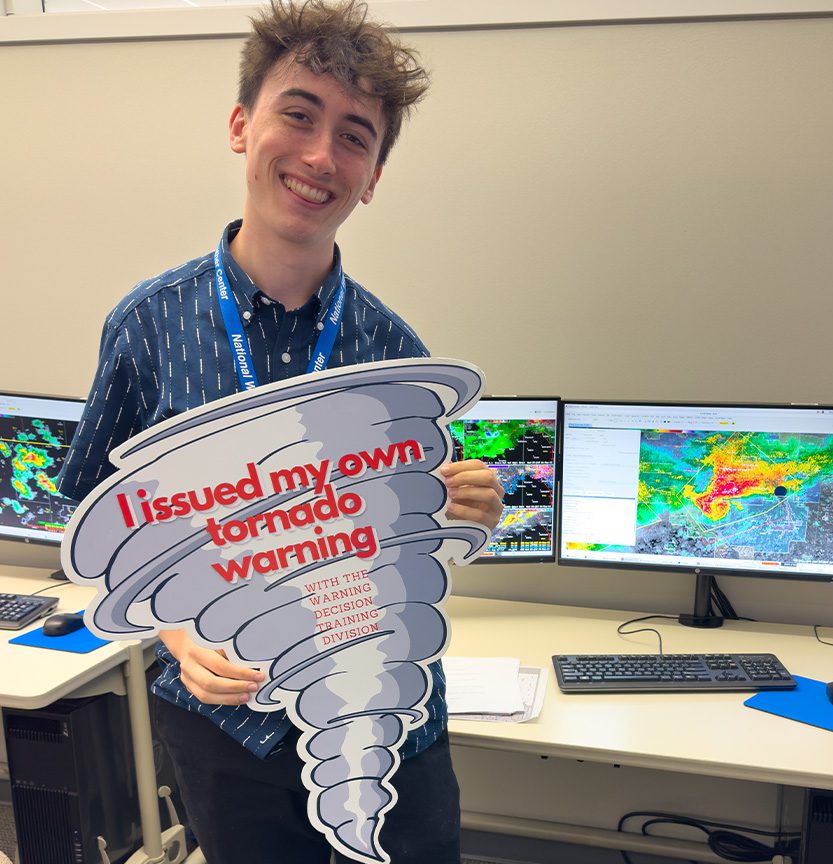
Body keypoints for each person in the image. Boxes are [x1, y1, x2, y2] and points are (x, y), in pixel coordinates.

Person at [57, 2, 504, 863]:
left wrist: (462, 515)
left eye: (354, 136)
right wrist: (174, 630)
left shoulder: (392, 355)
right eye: (298, 114)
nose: (318, 155)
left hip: (388, 716)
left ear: (372, 175)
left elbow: (410, 542)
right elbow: (89, 517)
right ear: (240, 125)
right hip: (228, 724)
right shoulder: (149, 328)